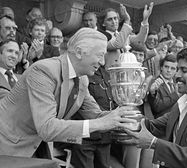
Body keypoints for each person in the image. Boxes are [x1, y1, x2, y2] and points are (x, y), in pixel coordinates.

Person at [0, 27, 136, 158]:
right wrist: (101, 123)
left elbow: (96, 115)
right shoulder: (43, 71)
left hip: (34, 147)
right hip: (7, 147)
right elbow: (47, 127)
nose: (102, 62)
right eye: (100, 55)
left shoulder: (82, 80)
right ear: (78, 52)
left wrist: (122, 118)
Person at [99, 2, 153, 69]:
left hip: (125, 74)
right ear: (103, 23)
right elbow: (118, 44)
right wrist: (127, 20)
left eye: (115, 18)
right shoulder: (103, 37)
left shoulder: (122, 35)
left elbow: (140, 40)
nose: (114, 21)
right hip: (110, 75)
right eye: (110, 19)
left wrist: (145, 20)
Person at [148, 53, 179, 118]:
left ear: (176, 71)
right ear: (161, 67)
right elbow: (157, 107)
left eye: (173, 68)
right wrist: (176, 95)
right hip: (161, 123)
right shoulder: (154, 82)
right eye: (166, 67)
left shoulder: (178, 83)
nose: (169, 70)